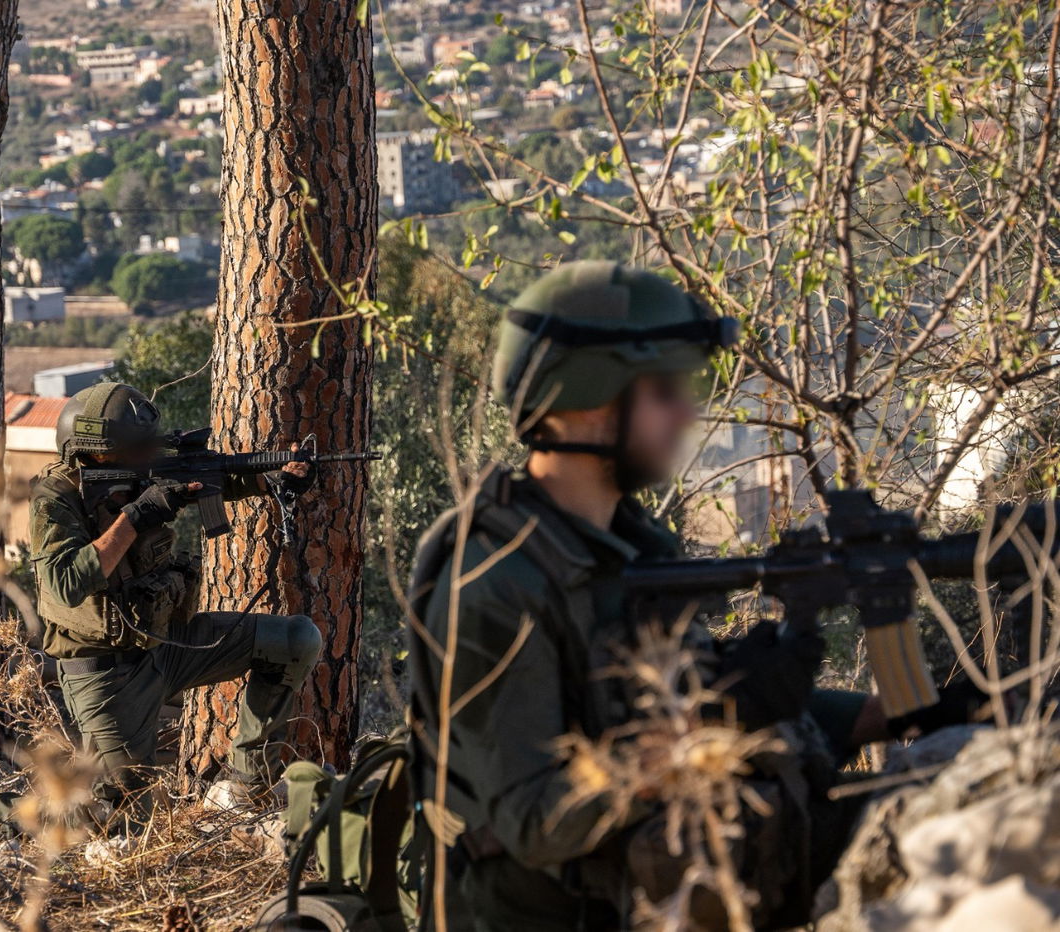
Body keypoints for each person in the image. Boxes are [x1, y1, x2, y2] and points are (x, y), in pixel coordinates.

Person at [406, 261, 985, 930]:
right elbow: (537, 820)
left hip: (677, 874)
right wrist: (712, 726)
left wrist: (900, 713)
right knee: (958, 838)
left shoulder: (625, 546)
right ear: (589, 398)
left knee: (970, 790)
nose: (687, 411)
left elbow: (672, 710)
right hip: (569, 913)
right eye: (663, 390)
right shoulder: (494, 583)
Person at [30, 381, 322, 831]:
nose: (146, 459)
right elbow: (66, 582)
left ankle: (247, 785)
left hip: (167, 644)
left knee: (295, 639)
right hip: (106, 676)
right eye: (131, 450)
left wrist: (275, 477)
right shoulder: (55, 500)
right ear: (92, 452)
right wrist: (136, 516)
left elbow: (219, 480)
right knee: (117, 822)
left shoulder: (142, 476)